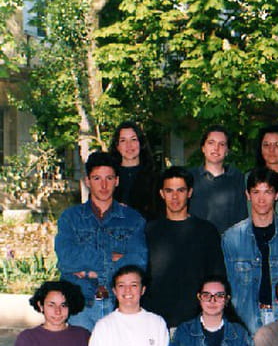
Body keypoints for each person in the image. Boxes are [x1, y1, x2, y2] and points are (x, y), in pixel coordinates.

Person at [55, 151, 147, 331]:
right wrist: (111, 258)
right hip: (80, 306)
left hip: (118, 305)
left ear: (117, 181)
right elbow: (66, 259)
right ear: (87, 181)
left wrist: (89, 272)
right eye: (97, 178)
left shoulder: (133, 219)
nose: (103, 185)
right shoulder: (70, 218)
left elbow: (138, 262)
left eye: (109, 178)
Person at [143, 166, 225, 329]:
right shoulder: (149, 231)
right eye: (169, 191)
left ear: (189, 193)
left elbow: (217, 278)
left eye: (180, 190)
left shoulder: (206, 231)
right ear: (162, 194)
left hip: (196, 323)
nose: (175, 197)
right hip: (156, 323)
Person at [222, 168, 278, 334]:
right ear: (248, 195)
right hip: (246, 323)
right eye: (256, 192)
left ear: (277, 195)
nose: (261, 199)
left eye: (268, 192)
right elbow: (227, 287)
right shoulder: (231, 238)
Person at [189, 125, 248, 234]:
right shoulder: (190, 178)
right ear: (203, 148)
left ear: (227, 150)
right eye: (211, 143)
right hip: (196, 241)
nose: (216, 148)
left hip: (229, 242)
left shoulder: (237, 178)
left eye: (222, 144)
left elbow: (242, 218)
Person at [109, 120, 159, 220]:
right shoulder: (108, 177)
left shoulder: (155, 177)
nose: (129, 145)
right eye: (123, 140)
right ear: (117, 146)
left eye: (133, 139)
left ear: (141, 143)